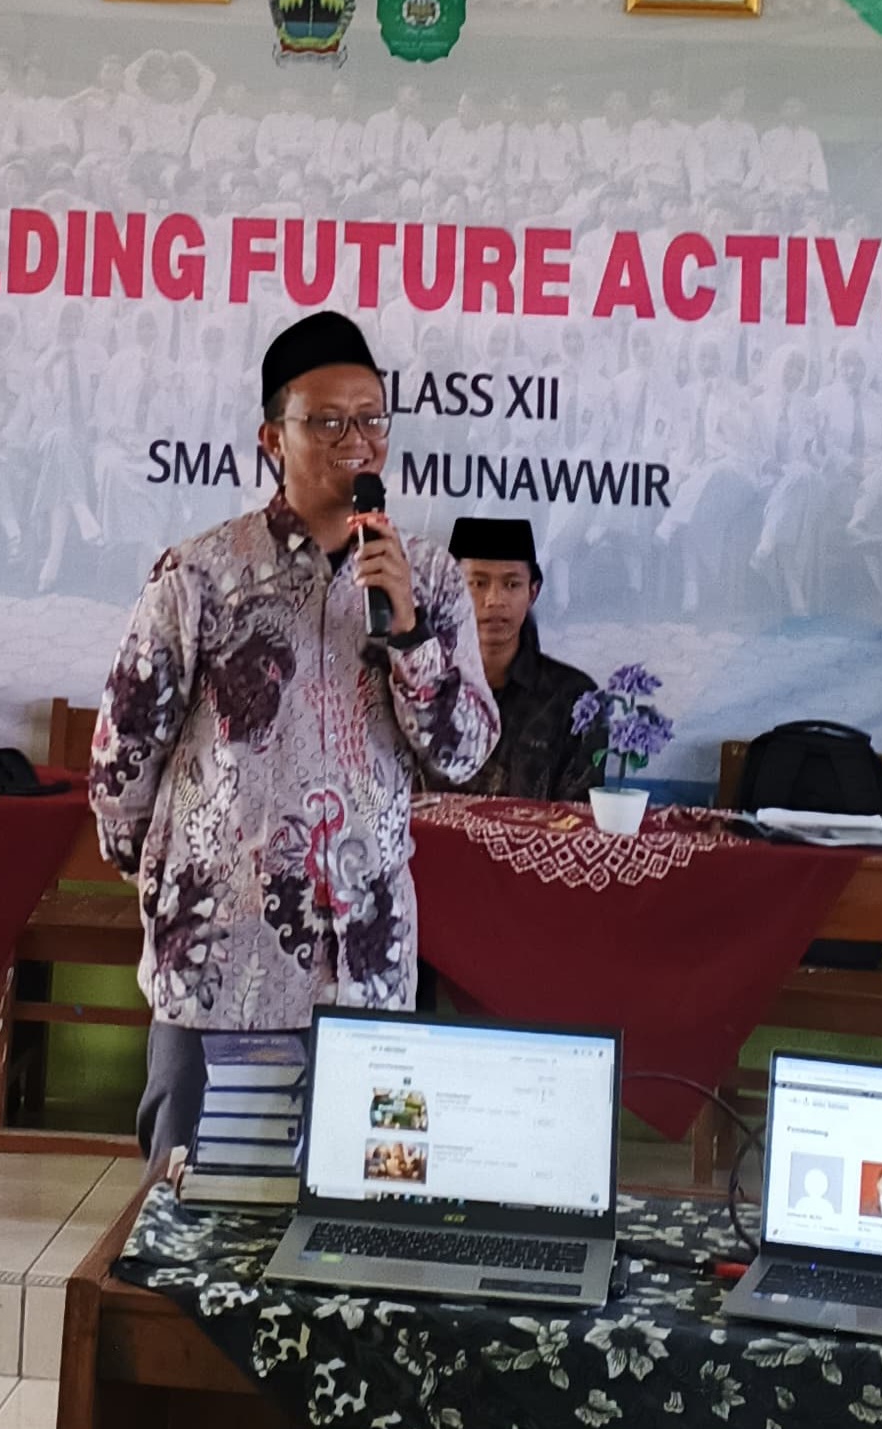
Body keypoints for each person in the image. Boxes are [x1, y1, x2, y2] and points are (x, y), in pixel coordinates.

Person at [89, 310, 498, 1163]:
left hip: (368, 965)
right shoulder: (201, 573)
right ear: (274, 437)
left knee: (360, 1198)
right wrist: (171, 877)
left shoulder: (426, 578)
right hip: (218, 961)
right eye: (329, 422)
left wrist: (410, 636)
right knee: (193, 1207)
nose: (357, 442)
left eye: (372, 419)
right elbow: (123, 752)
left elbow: (463, 754)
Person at [439, 517, 606, 803]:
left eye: (511, 584)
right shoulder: (421, 689)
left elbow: (578, 817)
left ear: (532, 592)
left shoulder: (575, 698)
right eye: (477, 583)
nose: (494, 600)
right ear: (450, 589)